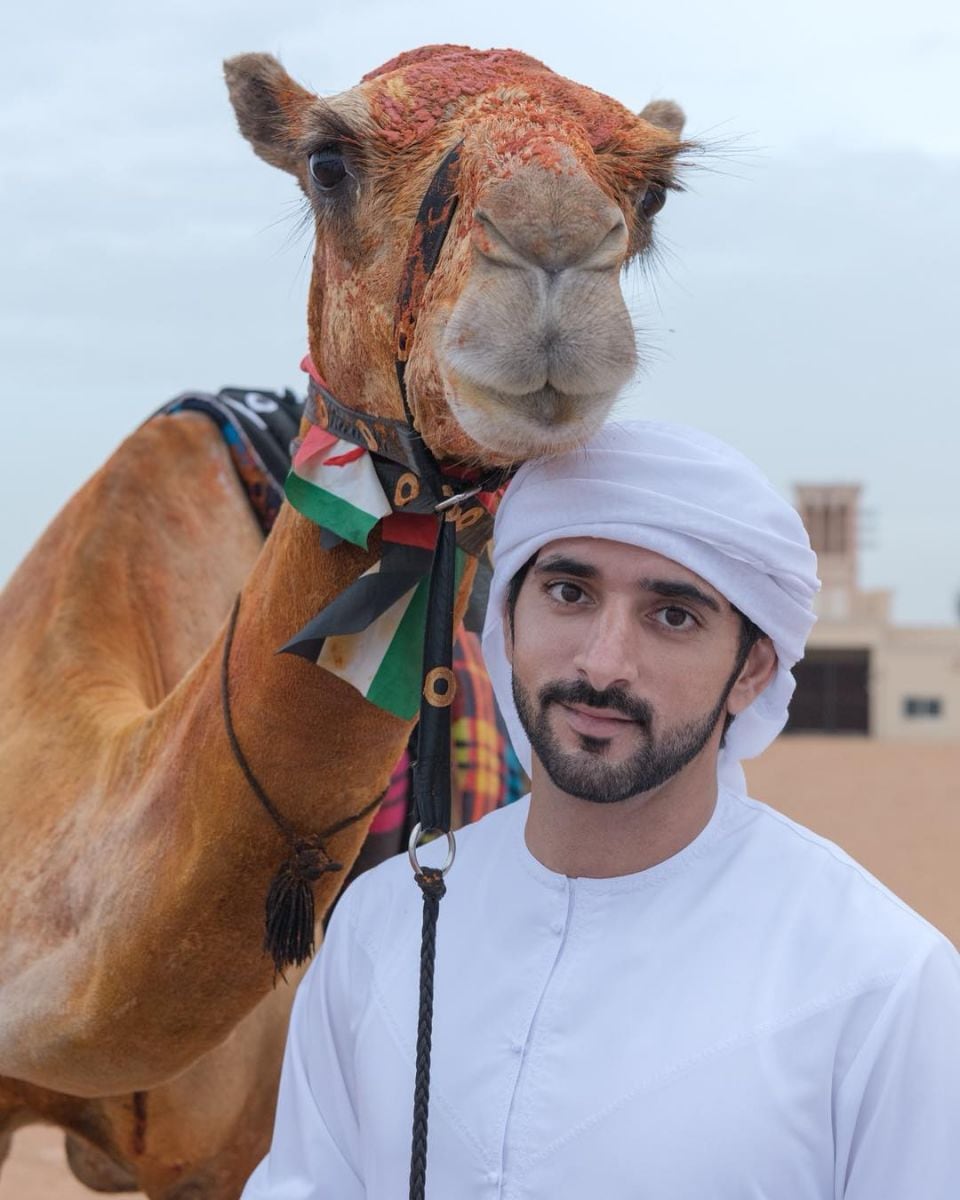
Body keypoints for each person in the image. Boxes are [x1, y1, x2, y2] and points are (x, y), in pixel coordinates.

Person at [242, 421, 960, 1199]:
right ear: (508, 619)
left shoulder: (879, 984)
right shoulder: (380, 932)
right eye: (569, 593)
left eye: (673, 615)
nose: (603, 662)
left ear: (750, 669)